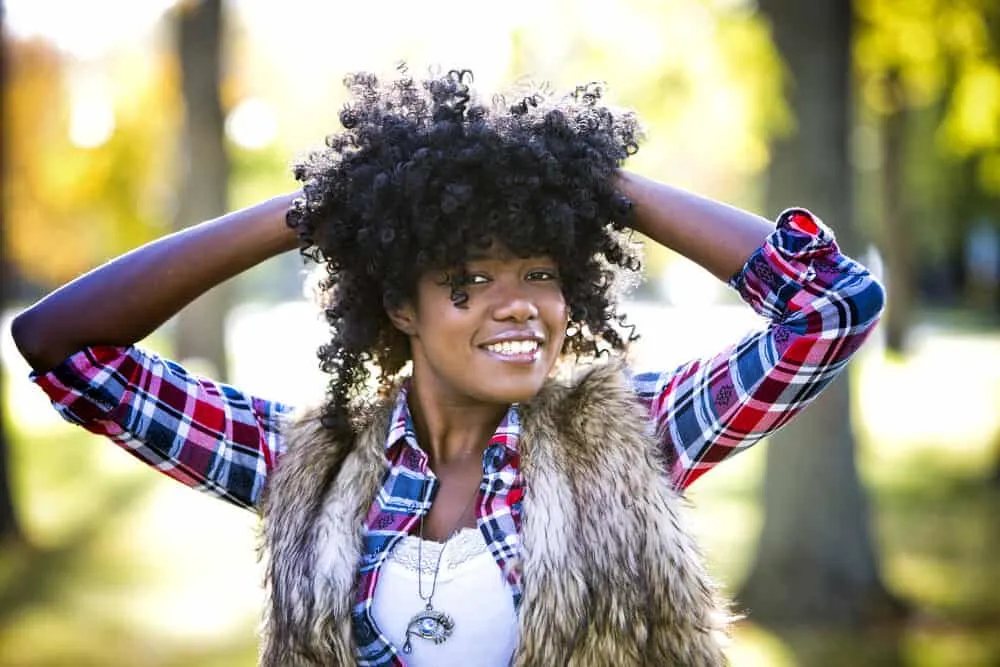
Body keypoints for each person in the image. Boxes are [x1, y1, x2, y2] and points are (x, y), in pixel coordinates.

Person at [11, 69, 885, 667]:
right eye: (469, 280)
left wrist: (602, 187)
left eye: (542, 272)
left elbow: (834, 308)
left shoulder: (628, 440)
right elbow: (62, 346)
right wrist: (316, 205)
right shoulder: (307, 465)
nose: (519, 305)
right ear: (399, 306)